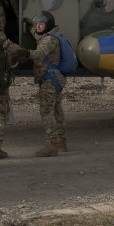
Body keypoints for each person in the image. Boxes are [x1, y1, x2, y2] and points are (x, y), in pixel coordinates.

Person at [0, 16, 29, 159]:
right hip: (0, 88)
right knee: (0, 118)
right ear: (2, 28)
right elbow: (24, 55)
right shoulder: (7, 45)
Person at [28, 11, 68, 157]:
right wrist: (31, 27)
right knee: (57, 110)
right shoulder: (52, 36)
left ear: (48, 25)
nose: (37, 27)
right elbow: (37, 35)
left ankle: (51, 145)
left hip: (49, 79)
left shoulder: (49, 40)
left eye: (41, 24)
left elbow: (38, 54)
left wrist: (19, 51)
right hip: (55, 78)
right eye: (36, 24)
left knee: (46, 112)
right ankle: (61, 142)